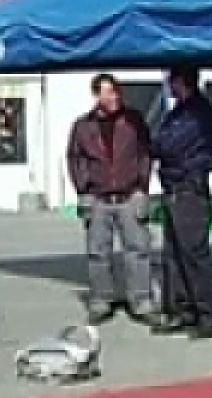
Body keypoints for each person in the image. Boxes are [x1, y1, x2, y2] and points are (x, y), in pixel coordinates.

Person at [66, 73, 154, 324]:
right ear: (96, 95)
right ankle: (101, 302)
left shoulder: (133, 120)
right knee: (98, 253)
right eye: (108, 92)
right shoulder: (83, 126)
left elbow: (146, 153)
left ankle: (141, 302)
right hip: (98, 198)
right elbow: (75, 158)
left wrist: (142, 187)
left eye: (116, 92)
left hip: (129, 196)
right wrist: (83, 189)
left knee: (137, 251)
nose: (114, 97)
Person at [151, 66, 212, 339]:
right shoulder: (178, 112)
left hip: (189, 189)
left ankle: (210, 315)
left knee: (194, 254)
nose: (168, 85)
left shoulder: (197, 113)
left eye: (172, 81)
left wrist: (158, 144)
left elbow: (165, 145)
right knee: (173, 254)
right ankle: (183, 311)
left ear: (182, 81)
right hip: (174, 189)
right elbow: (159, 140)